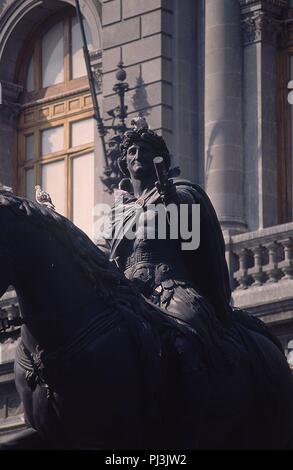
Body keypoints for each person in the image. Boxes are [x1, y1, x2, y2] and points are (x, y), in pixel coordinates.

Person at [96, 117, 232, 337]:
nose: (137, 155)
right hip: (128, 295)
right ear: (125, 162)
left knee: (190, 328)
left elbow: (188, 219)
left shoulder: (180, 191)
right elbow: (100, 254)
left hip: (169, 287)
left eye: (144, 150)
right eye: (131, 151)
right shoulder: (117, 212)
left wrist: (169, 195)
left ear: (159, 159)